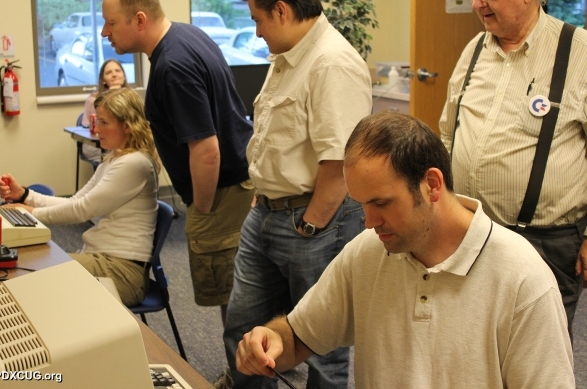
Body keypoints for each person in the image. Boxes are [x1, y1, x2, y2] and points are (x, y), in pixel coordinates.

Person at [235, 112, 575, 388]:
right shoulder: (367, 253)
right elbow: (299, 336)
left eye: (381, 203)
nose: (369, 222)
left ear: (432, 185)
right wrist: (272, 339)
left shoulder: (522, 279)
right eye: (362, 205)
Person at [222, 0, 372, 388]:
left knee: (321, 345)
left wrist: (310, 225)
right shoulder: (288, 56)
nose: (256, 32)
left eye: (258, 20)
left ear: (282, 11)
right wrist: (263, 196)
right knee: (244, 331)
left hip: (312, 221)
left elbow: (340, 163)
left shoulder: (332, 62)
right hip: (268, 212)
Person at [439, 0, 587, 336]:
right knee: (469, 344)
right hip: (471, 233)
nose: (477, 4)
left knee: (537, 353)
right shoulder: (474, 50)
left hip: (546, 244)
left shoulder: (579, 53)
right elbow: (447, 134)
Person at [100, 0, 254, 335]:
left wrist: (202, 209)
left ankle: (245, 368)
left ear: (140, 20)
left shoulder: (173, 66)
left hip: (222, 193)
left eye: (111, 23)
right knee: (240, 294)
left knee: (234, 300)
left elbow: (206, 151)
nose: (105, 32)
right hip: (237, 184)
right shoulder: (188, 35)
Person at [0, 88, 161, 307]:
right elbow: (75, 201)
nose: (96, 128)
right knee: (32, 267)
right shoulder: (114, 160)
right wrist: (25, 195)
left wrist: (32, 213)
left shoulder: (134, 164)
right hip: (105, 261)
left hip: (121, 274)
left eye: (104, 122)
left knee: (33, 270)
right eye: (97, 121)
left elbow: (82, 210)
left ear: (127, 126)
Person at [80, 59, 128, 163]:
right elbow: (104, 125)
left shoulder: (132, 97)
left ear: (124, 76)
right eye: (109, 72)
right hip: (98, 144)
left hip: (122, 142)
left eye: (117, 71)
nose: (114, 74)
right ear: (103, 80)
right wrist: (113, 95)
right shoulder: (94, 100)